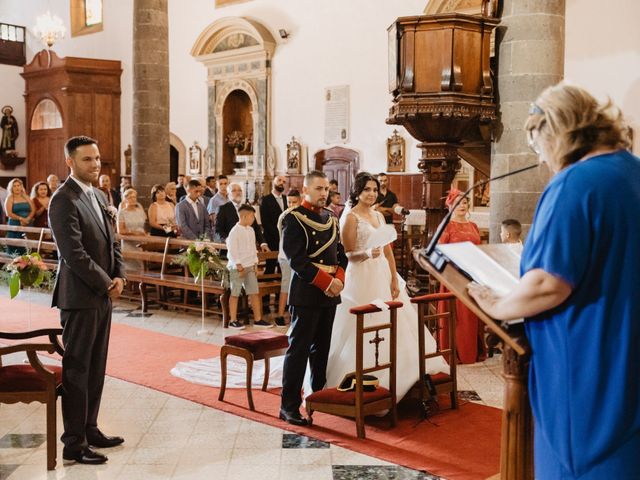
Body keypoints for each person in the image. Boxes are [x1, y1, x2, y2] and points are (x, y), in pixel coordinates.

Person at [468, 84, 640, 480]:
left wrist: (496, 304)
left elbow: (549, 283)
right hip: (626, 356)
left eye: (536, 145)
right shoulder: (630, 171)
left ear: (553, 131)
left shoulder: (575, 184)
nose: (542, 159)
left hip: (587, 368)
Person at [326, 173, 448, 400]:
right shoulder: (350, 217)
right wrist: (366, 253)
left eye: (374, 190)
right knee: (364, 322)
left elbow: (388, 250)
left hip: (382, 272)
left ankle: (405, 375)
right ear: (357, 192)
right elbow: (347, 254)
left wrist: (394, 278)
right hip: (361, 275)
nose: (371, 194)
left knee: (397, 320)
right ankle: (365, 374)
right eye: (366, 190)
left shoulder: (379, 217)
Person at [48, 135, 126, 465]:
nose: (95, 164)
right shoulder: (63, 199)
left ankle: (90, 428)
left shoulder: (98, 194)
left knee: (96, 367)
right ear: (70, 162)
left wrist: (119, 273)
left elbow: (114, 241)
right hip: (80, 297)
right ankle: (73, 442)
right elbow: (74, 254)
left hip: (104, 293)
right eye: (86, 160)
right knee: (78, 369)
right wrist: (107, 283)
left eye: (96, 158)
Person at [280, 171, 348, 426]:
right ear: (306, 189)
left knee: (321, 352)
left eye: (326, 189)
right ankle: (288, 406)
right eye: (318, 188)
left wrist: (339, 279)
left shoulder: (331, 218)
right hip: (308, 292)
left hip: (330, 295)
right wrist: (327, 282)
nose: (324, 193)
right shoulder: (293, 219)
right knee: (298, 351)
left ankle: (316, 399)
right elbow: (296, 260)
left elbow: (341, 255)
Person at [437, 188, 485, 364]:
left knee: (472, 314)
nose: (462, 205)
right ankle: (456, 352)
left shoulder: (473, 226)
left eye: (464, 202)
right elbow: (439, 252)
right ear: (450, 205)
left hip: (472, 275)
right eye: (458, 202)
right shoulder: (447, 226)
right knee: (458, 316)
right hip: (454, 276)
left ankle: (472, 351)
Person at [226, 204, 273, 330]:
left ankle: (258, 319)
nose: (254, 219)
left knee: (254, 292)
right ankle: (233, 320)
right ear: (244, 216)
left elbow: (253, 248)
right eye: (252, 216)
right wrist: (239, 266)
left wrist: (255, 264)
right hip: (237, 267)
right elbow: (232, 251)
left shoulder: (251, 230)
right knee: (235, 293)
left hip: (250, 266)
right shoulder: (234, 232)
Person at [274, 189, 301, 326]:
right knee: (286, 285)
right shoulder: (285, 216)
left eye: (294, 202)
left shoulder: (302, 215)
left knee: (296, 287)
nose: (291, 205)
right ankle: (280, 315)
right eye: (289, 202)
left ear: (300, 200)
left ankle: (293, 315)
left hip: (298, 257)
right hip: (286, 257)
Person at [215, 183, 268, 248]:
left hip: (249, 246)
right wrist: (227, 240)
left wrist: (263, 243)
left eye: (240, 190)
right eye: (234, 190)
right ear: (228, 194)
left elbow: (256, 228)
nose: (238, 192)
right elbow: (218, 230)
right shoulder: (223, 209)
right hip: (232, 246)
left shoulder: (247, 208)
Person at [260, 175, 288, 273]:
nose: (281, 183)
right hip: (271, 237)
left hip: (285, 237)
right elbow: (265, 222)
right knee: (270, 266)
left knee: (283, 265)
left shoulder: (286, 199)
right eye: (279, 180)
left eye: (284, 182)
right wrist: (278, 234)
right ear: (273, 182)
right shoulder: (266, 199)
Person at [117, 188, 148, 271]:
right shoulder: (122, 212)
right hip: (128, 244)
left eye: (134, 197)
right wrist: (134, 233)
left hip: (140, 243)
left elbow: (143, 227)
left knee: (141, 268)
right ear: (125, 199)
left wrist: (145, 235)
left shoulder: (140, 211)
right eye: (130, 197)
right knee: (130, 270)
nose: (133, 199)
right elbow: (120, 231)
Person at [4, 178, 34, 254]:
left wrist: (28, 218)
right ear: (11, 188)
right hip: (14, 224)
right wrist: (21, 219)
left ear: (21, 187)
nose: (17, 188)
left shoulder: (26, 196)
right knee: (15, 247)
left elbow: (33, 209)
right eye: (14, 186)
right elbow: (8, 213)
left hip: (27, 223)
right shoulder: (10, 198)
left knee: (27, 247)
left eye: (18, 185)